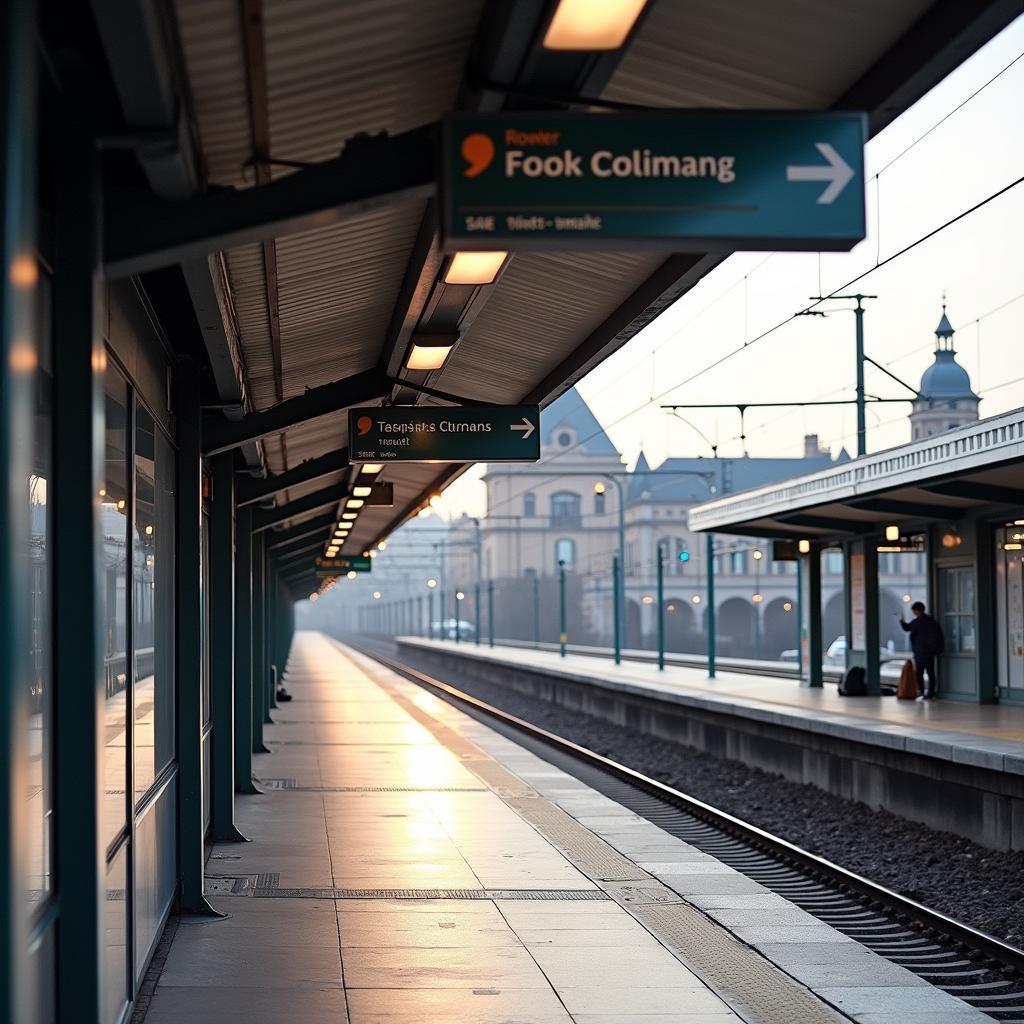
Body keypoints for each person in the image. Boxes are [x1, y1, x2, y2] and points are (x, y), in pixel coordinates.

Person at [896, 602, 945, 701]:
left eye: (914, 611)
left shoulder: (918, 621)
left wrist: (901, 619)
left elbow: (907, 628)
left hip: (920, 651)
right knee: (931, 673)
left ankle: (921, 692)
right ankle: (931, 693)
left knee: (920, 673)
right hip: (930, 652)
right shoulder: (931, 621)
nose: (914, 613)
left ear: (917, 610)